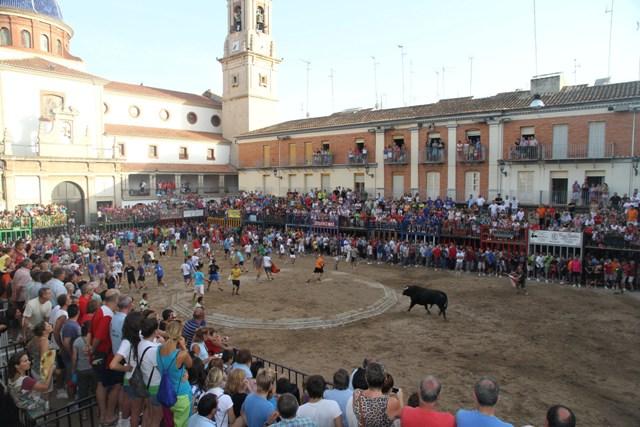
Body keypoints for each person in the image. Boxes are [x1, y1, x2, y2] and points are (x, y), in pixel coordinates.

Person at [90, 288, 120, 427]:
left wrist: (89, 347)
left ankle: (102, 414)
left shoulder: (100, 310)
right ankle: (108, 415)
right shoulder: (107, 315)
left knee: (101, 384)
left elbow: (91, 331)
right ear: (116, 300)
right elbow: (99, 336)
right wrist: (92, 349)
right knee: (115, 385)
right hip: (105, 355)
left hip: (99, 354)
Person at [109, 311, 144, 427]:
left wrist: (126, 368)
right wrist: (126, 368)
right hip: (138, 380)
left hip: (129, 378)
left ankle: (122, 422)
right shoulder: (131, 341)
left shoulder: (127, 341)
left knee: (128, 406)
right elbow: (113, 364)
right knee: (135, 412)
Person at [158, 320, 194, 427]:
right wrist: (183, 347)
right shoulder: (181, 354)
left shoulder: (158, 349)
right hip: (181, 395)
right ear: (179, 335)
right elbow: (190, 364)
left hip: (165, 392)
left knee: (169, 421)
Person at [347, 362, 401, 427]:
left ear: (366, 379)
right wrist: (400, 397)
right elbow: (402, 418)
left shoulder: (357, 394)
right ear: (384, 380)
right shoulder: (392, 402)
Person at [8, 351, 54, 416]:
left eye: (28, 360)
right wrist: (50, 371)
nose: (29, 362)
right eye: (25, 361)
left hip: (23, 409)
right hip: (34, 411)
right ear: (17, 366)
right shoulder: (25, 380)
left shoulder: (11, 377)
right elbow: (45, 387)